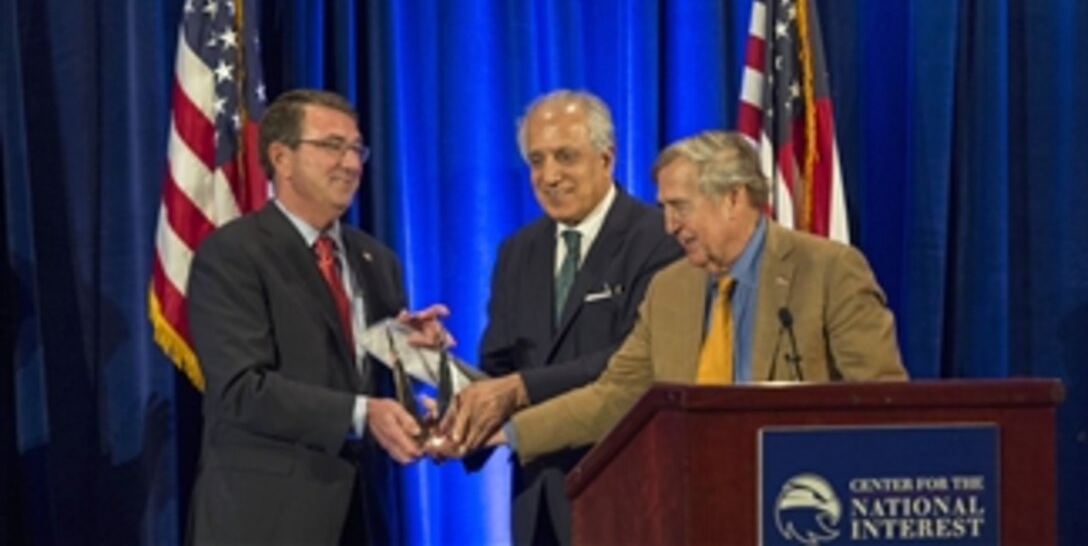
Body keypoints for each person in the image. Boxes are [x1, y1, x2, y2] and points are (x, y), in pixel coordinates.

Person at [497, 130, 907, 464]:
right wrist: (505, 432)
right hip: (697, 499)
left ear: (733, 198)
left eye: (680, 207)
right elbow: (613, 396)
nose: (670, 225)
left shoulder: (828, 271)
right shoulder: (670, 289)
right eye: (664, 208)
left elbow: (882, 402)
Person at [186, 89, 443, 545]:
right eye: (331, 146)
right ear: (281, 158)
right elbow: (242, 390)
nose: (350, 162)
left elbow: (371, 385)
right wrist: (363, 413)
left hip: (364, 515)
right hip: (266, 520)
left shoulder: (376, 259)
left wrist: (418, 359)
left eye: (356, 148)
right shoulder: (233, 254)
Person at [446, 90, 682, 545]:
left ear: (606, 158)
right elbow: (499, 366)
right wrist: (449, 386)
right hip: (536, 503)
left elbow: (634, 362)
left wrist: (521, 389)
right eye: (537, 160)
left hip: (623, 490)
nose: (549, 176)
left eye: (565, 157)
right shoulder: (517, 251)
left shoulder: (659, 239)